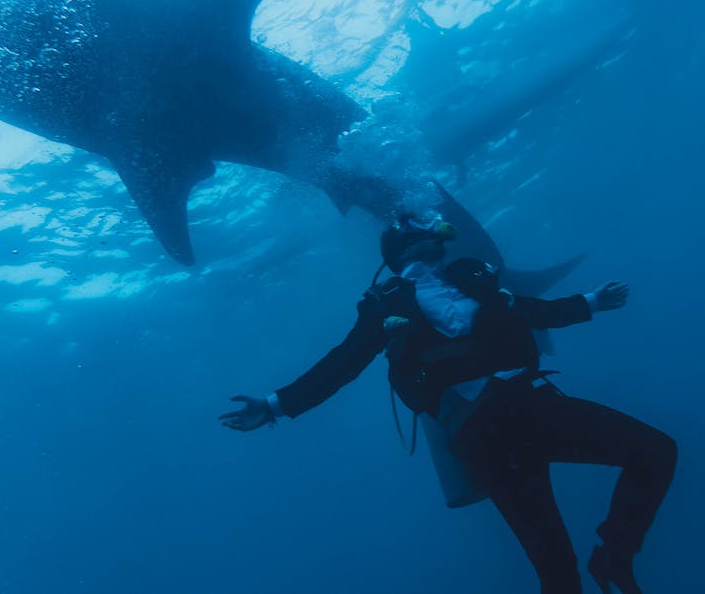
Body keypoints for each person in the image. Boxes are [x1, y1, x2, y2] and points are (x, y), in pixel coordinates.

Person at [220, 213, 677, 594]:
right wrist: (276, 404)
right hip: (484, 435)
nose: (434, 242)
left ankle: (615, 555)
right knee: (556, 573)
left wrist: (592, 302)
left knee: (657, 451)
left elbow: (532, 310)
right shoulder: (383, 305)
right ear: (399, 253)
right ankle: (598, 566)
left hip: (539, 406)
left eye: (434, 236)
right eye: (420, 236)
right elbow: (344, 362)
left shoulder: (477, 281)